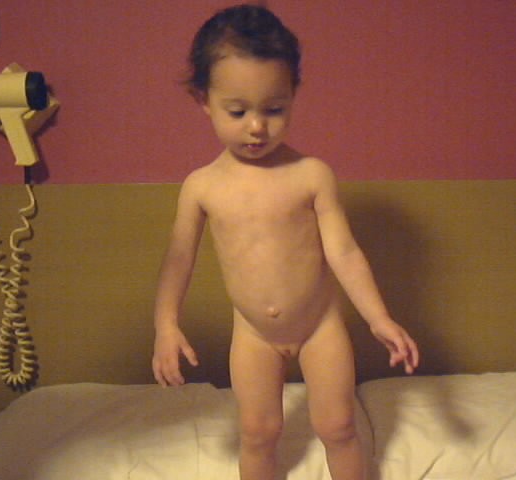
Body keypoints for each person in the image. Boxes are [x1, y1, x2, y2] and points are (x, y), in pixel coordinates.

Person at [152, 5, 419, 480]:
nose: (257, 126)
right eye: (238, 111)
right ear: (203, 100)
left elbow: (345, 253)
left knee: (338, 426)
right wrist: (166, 325)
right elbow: (178, 259)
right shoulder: (201, 187)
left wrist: (378, 317)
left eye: (274, 109)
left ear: (294, 94)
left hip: (319, 327)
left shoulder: (312, 176)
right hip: (254, 335)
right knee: (258, 433)